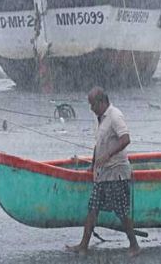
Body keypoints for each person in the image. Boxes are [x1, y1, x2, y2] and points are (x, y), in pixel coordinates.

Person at [67, 87, 140, 257]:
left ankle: (134, 245)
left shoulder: (115, 116)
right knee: (92, 209)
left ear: (102, 101)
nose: (91, 108)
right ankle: (83, 245)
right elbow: (98, 145)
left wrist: (108, 155)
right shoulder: (99, 119)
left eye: (92, 104)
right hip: (102, 173)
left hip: (116, 172)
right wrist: (93, 165)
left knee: (121, 211)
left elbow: (125, 139)